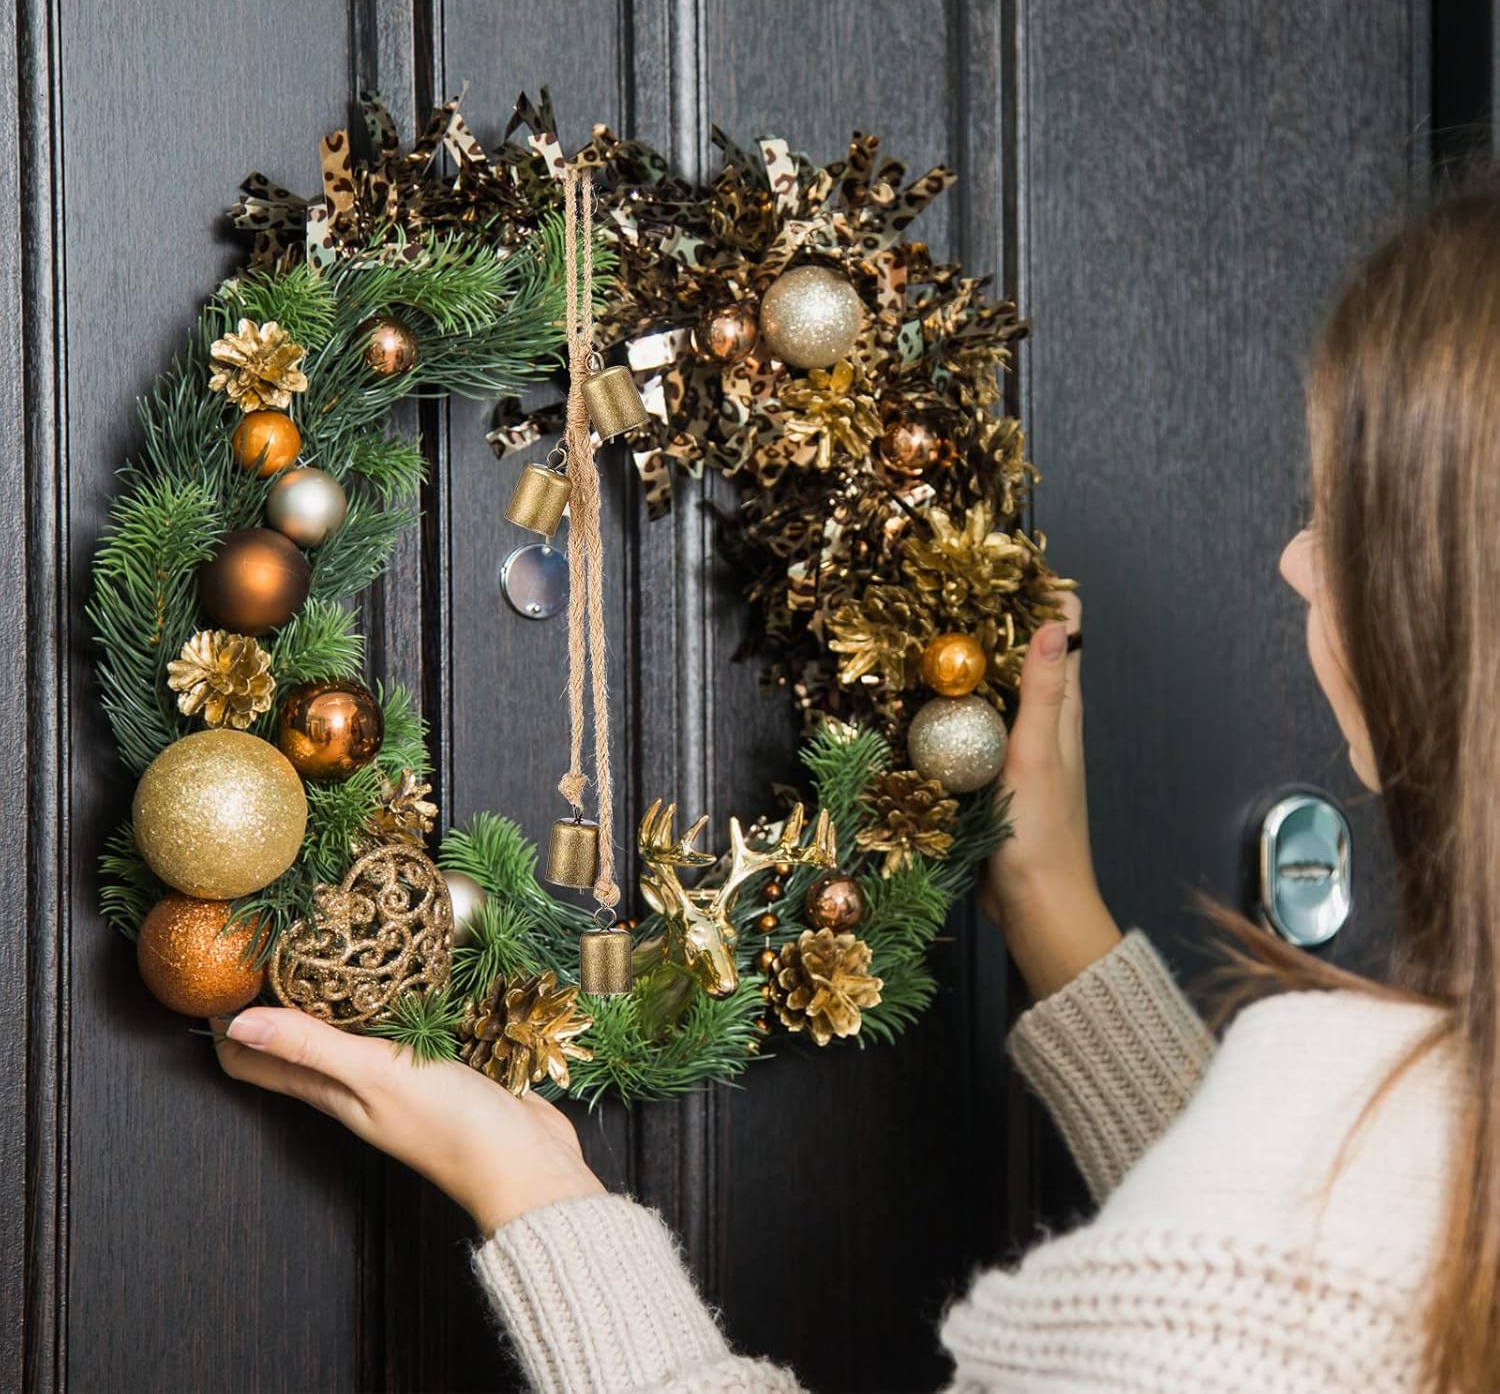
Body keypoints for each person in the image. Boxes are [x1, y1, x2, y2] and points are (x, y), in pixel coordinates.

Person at [214, 182, 1500, 1392]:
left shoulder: (1377, 1154)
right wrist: (1057, 918)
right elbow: (1287, 1309)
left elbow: (1291, 1311)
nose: (1295, 561)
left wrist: (534, 1189)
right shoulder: (1408, 1165)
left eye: (1340, 514)